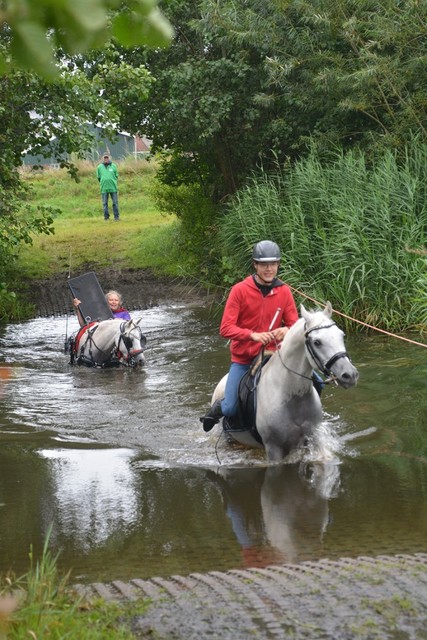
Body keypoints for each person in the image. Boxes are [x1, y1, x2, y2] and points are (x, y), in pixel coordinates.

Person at [200, 240, 299, 432]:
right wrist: (252, 335)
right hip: (244, 359)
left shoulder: (284, 291)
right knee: (230, 407)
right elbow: (225, 328)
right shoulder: (239, 290)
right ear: (255, 264)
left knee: (316, 380)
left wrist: (287, 330)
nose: (269, 269)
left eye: (273, 264)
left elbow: (294, 324)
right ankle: (215, 410)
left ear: (278, 264)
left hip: (274, 356)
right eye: (264, 264)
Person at [97, 153, 120, 221]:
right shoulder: (99, 167)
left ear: (109, 158)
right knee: (105, 203)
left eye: (107, 158)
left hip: (113, 187)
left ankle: (116, 217)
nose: (106, 159)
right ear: (103, 159)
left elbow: (116, 176)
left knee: (115, 203)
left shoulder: (114, 166)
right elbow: (98, 177)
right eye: (105, 158)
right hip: (104, 188)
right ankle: (106, 217)